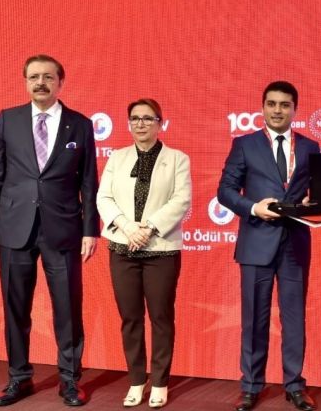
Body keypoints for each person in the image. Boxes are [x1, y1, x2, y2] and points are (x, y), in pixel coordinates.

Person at [0, 55, 99, 407]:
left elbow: (88, 182)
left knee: (68, 308)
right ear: (26, 82)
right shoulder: (9, 119)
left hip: (64, 229)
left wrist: (90, 230)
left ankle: (69, 380)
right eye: (33, 77)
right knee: (15, 308)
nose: (40, 82)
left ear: (60, 82)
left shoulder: (80, 124)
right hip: (13, 228)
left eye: (48, 77)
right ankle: (18, 378)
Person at [218, 81, 320, 411]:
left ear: (295, 109)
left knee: (294, 319)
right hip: (256, 242)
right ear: (262, 107)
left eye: (285, 105)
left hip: (295, 244)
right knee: (254, 319)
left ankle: (295, 385)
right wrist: (252, 207)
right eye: (272, 104)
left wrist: (314, 204)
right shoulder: (244, 144)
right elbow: (225, 191)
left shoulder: (310, 146)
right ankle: (250, 386)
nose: (278, 110)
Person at [96, 98, 191, 408]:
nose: (141, 123)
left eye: (148, 118)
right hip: (122, 247)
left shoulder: (177, 159)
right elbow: (104, 198)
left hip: (160, 250)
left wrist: (148, 229)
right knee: (130, 318)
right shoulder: (117, 157)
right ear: (129, 124)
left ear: (160, 123)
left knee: (161, 317)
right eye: (135, 118)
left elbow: (181, 200)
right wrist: (127, 228)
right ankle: (137, 380)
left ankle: (160, 381)